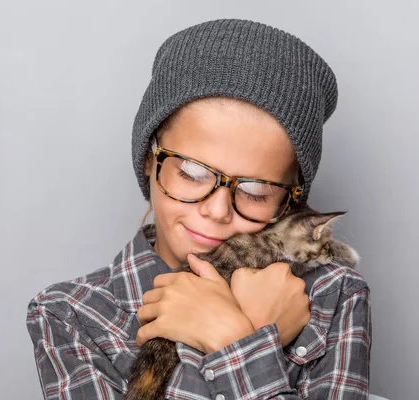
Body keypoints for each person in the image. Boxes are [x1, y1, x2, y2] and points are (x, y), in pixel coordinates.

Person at [26, 18, 371, 399]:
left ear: (292, 200)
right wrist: (253, 333)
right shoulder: (70, 314)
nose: (218, 210)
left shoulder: (333, 293)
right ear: (149, 160)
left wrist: (231, 337)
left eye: (256, 191)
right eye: (192, 173)